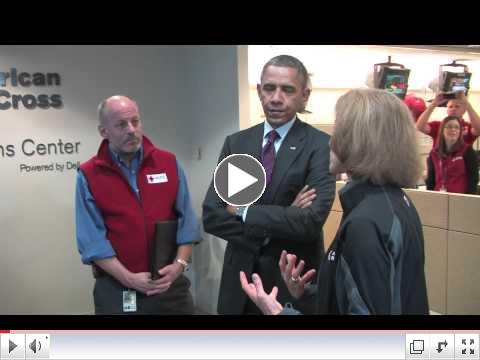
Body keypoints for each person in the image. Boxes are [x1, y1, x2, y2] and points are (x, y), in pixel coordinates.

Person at [240, 88, 429, 315]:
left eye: (338, 131)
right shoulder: (396, 202)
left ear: (359, 142)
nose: (330, 142)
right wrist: (310, 293)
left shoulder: (364, 223)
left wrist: (280, 314)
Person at [202, 55, 336, 315]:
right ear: (259, 91)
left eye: (287, 89)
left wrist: (243, 211)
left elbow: (309, 222)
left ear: (304, 95)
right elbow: (213, 215)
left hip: (289, 285)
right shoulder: (237, 143)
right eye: (269, 88)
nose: (276, 98)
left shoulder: (320, 146)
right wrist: (283, 218)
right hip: (239, 282)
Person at [75, 95, 201, 314]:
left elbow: (187, 222)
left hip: (169, 285)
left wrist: (179, 265)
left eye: (135, 121)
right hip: (119, 288)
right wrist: (129, 279)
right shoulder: (89, 174)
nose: (131, 130)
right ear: (104, 132)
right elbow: (91, 240)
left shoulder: (168, 162)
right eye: (121, 124)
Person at [425, 116, 479, 194]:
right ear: (442, 130)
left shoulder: (467, 151)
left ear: (460, 131)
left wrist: (468, 199)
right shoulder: (434, 153)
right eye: (449, 127)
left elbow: (473, 179)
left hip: (460, 198)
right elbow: (430, 180)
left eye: (457, 127)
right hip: (439, 196)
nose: (453, 129)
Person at [416, 91, 480, 148]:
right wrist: (433, 104)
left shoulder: (468, 126)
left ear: (464, 110)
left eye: (457, 106)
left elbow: (478, 129)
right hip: (439, 160)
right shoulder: (439, 125)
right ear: (447, 110)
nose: (453, 109)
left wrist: (467, 105)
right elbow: (420, 127)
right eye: (450, 107)